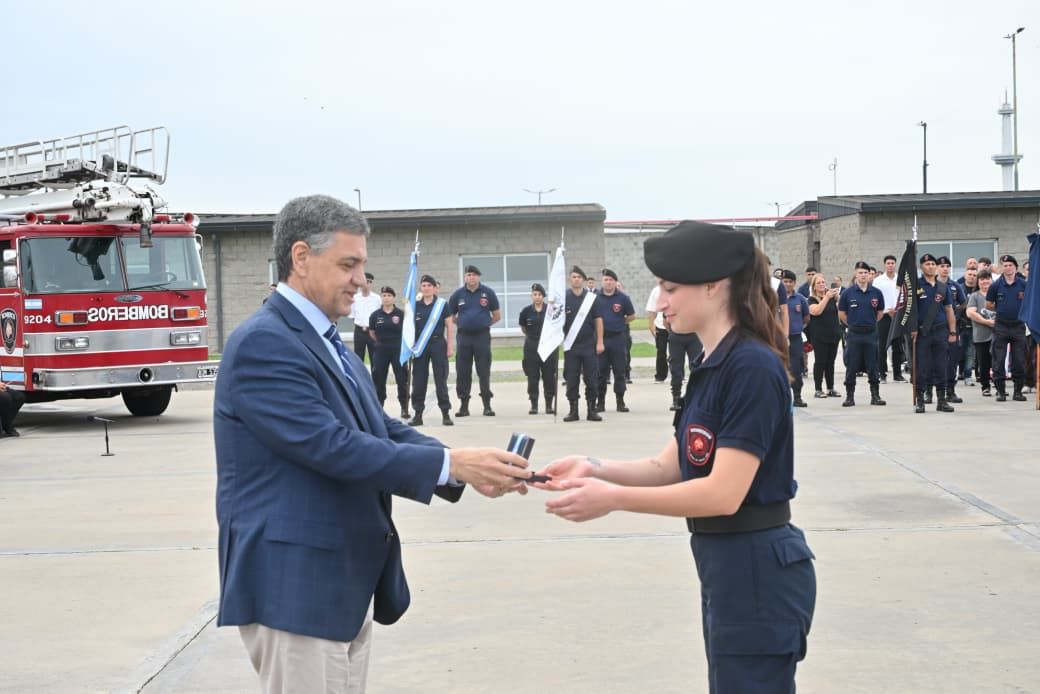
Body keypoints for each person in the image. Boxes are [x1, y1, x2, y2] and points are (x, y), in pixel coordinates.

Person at [213, 195, 531, 692]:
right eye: (348, 264)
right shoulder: (264, 342)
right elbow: (332, 446)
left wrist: (464, 467)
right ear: (301, 258)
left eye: (361, 264)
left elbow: (378, 427)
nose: (361, 279)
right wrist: (451, 465)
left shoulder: (323, 338)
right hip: (296, 585)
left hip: (341, 578)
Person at [535, 221, 815, 693]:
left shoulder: (750, 366)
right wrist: (592, 466)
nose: (660, 302)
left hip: (757, 569)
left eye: (669, 288)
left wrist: (613, 499)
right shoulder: (715, 363)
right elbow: (671, 466)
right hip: (728, 564)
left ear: (714, 286)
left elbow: (724, 493)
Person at [448, 265, 500, 417]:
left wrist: (483, 324)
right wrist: (464, 323)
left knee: (483, 370)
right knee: (463, 371)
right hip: (464, 337)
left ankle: (487, 405)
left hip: (482, 337)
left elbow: (497, 315)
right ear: (465, 277)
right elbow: (452, 316)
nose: (471, 277)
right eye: (468, 275)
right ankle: (464, 406)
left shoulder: (488, 293)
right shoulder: (458, 294)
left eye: (474, 275)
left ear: (479, 277)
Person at [912, 253, 958, 413]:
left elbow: (949, 310)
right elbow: (910, 310)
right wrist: (912, 329)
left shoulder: (942, 287)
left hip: (940, 332)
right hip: (922, 333)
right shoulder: (915, 286)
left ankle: (942, 400)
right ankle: (920, 400)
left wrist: (952, 331)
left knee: (941, 366)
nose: (930, 266)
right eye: (927, 264)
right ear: (921, 267)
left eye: (933, 264)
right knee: (922, 367)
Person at [837, 261, 886, 406]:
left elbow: (880, 313)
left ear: (869, 274)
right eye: (860, 272)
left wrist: (869, 323)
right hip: (854, 334)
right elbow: (841, 313)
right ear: (855, 274)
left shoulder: (876, 293)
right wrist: (853, 324)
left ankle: (875, 396)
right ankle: (850, 396)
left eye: (866, 272)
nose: (863, 275)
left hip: (871, 334)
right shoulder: (848, 293)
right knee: (851, 366)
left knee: (873, 365)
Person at [409, 275, 456, 426]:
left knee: (440, 380)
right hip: (420, 348)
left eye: (430, 285)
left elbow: (449, 326)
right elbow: (409, 328)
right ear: (420, 288)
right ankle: (418, 414)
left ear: (435, 288)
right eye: (424, 285)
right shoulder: (415, 305)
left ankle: (445, 413)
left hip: (438, 345)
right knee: (419, 381)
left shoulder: (442, 305)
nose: (427, 288)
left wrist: (449, 346)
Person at [562, 266, 604, 422]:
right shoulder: (564, 298)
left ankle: (591, 410)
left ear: (584, 280)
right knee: (571, 379)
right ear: (570, 279)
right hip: (571, 346)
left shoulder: (591, 298)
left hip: (588, 345)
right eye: (574, 277)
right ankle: (573, 410)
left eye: (579, 277)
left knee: (591, 379)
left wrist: (600, 341)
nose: (576, 279)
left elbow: (598, 320)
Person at [985, 254, 1028, 402]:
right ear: (1002, 268)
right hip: (1001, 326)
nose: (1008, 268)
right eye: (1005, 265)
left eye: (1011, 265)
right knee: (998, 360)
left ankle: (1017, 391)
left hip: (1018, 326)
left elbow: (1030, 302)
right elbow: (988, 304)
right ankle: (1001, 392)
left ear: (1015, 268)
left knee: (1019, 360)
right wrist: (1002, 308)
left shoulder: (1023, 284)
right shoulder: (996, 285)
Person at [595, 269, 636, 413]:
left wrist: (620, 322)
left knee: (620, 371)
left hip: (618, 338)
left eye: (611, 280)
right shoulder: (595, 297)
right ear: (602, 281)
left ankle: (620, 402)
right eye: (606, 279)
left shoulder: (623, 298)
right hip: (601, 339)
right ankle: (600, 402)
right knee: (600, 372)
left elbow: (631, 316)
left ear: (615, 282)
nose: (608, 282)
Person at [368, 286, 410, 418]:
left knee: (402, 379)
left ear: (394, 298)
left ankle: (404, 407)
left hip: (398, 349)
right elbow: (372, 333)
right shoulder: (375, 315)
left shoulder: (401, 314)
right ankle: (379, 407)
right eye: (384, 295)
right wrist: (382, 342)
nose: (386, 298)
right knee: (379, 379)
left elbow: (407, 331)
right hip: (381, 349)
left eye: (389, 296)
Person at [518, 283, 558, 414]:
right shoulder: (526, 311)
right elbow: (524, 328)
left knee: (549, 377)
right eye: (534, 294)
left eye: (539, 295)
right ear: (531, 296)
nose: (537, 297)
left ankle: (549, 405)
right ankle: (534, 404)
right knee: (532, 377)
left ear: (543, 296)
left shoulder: (551, 310)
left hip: (548, 347)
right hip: (532, 347)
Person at [872, 254, 906, 382]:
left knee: (897, 346)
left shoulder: (901, 279)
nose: (890, 265)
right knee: (882, 346)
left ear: (895, 264)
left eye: (892, 263)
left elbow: (904, 296)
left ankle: (897, 374)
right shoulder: (878, 281)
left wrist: (897, 310)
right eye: (888, 263)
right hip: (884, 316)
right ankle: (882, 373)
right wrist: (886, 310)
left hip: (898, 316)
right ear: (884, 265)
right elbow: (875, 299)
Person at [937, 257, 966, 403]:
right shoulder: (930, 286)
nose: (945, 268)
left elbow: (962, 303)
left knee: (952, 360)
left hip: (952, 328)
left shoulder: (954, 286)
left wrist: (954, 314)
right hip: (934, 328)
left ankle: (950, 390)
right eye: (942, 266)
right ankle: (930, 391)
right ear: (937, 268)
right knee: (933, 360)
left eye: (947, 266)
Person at [808, 274, 842, 398]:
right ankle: (818, 389)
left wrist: (837, 297)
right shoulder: (812, 299)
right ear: (814, 286)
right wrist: (826, 298)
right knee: (820, 362)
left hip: (833, 334)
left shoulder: (832, 297)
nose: (822, 284)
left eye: (823, 282)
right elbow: (816, 311)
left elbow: (842, 307)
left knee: (830, 362)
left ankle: (830, 388)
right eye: (818, 283)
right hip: (819, 335)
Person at [781, 270, 810, 407]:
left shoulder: (800, 299)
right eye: (785, 281)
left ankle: (797, 396)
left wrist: (798, 327)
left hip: (795, 338)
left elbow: (806, 317)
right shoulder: (774, 298)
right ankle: (781, 398)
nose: (787, 284)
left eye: (790, 282)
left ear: (794, 283)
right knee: (779, 368)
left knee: (796, 368)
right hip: (778, 339)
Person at [966, 269, 996, 396]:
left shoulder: (996, 294)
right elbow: (970, 312)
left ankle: (999, 385)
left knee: (997, 361)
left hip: (997, 333)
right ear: (978, 282)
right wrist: (986, 322)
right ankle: (985, 386)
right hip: (981, 334)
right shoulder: (975, 296)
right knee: (984, 362)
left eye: (987, 278)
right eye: (982, 279)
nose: (985, 281)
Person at [350, 272, 380, 364]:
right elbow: (352, 316)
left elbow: (378, 316)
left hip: (372, 331)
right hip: (359, 331)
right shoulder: (354, 298)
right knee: (358, 358)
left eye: (369, 282)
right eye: (365, 281)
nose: (367, 284)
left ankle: (375, 378)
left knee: (374, 357)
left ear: (371, 284)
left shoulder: (377, 298)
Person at [958, 267, 979, 385]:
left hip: (973, 325)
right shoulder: (959, 288)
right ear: (965, 276)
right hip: (960, 325)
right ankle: (958, 372)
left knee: (970, 352)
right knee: (959, 350)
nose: (972, 277)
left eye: (974, 275)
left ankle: (967, 375)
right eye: (970, 274)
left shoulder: (978, 291)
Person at [646, 285, 669, 383]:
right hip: (660, 325)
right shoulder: (656, 290)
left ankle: (680, 374)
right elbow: (652, 309)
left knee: (678, 351)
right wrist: (651, 324)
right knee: (661, 351)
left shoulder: (679, 285)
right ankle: (660, 375)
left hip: (677, 325)